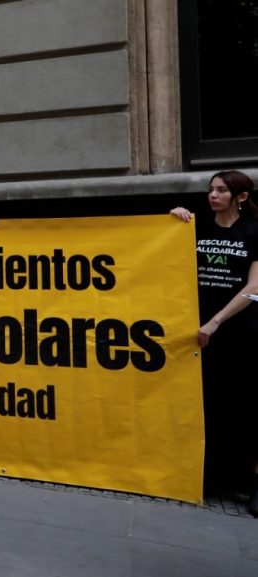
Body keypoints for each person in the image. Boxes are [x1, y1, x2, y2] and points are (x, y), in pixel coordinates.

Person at [171, 170, 258, 516]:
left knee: (248, 407)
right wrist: (173, 221)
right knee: (204, 403)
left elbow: (254, 287)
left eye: (222, 190)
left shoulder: (253, 231)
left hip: (238, 331)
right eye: (210, 189)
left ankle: (253, 483)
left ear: (240, 197)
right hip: (196, 333)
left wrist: (216, 320)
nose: (213, 195)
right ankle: (205, 475)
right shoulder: (198, 228)